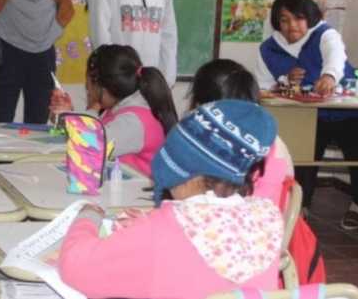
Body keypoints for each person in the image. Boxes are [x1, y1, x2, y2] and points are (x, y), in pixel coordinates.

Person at [57, 100, 283, 298]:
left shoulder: (161, 229)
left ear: (184, 169)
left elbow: (75, 267)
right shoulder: (267, 217)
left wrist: (88, 216)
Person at [255, 0, 358, 231]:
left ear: (310, 18)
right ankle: (300, 207)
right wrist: (283, 81)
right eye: (284, 19)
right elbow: (262, 87)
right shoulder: (268, 49)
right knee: (300, 156)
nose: (292, 26)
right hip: (306, 114)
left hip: (349, 111)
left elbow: (336, 57)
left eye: (299, 18)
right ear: (276, 23)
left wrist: (329, 76)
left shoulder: (325, 34)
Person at [50, 44, 177, 176]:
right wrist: (64, 116)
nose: (87, 88)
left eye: (88, 84)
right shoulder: (120, 108)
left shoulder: (132, 121)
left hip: (136, 194)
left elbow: (86, 146)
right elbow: (91, 132)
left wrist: (93, 107)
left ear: (102, 89)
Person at [188, 58, 294, 202]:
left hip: (238, 220)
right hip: (273, 220)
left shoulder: (212, 143)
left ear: (202, 103)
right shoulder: (273, 139)